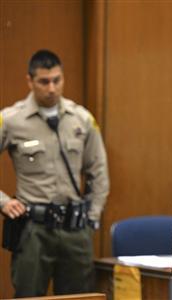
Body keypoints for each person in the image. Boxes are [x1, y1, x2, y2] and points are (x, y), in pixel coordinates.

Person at [0, 49, 109, 297]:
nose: (51, 88)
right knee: (29, 296)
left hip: (75, 231)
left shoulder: (81, 118)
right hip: (33, 231)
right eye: (44, 81)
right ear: (30, 81)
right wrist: (4, 202)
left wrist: (91, 217)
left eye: (57, 80)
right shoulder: (11, 120)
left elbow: (99, 171)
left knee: (80, 297)